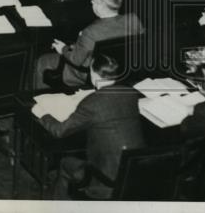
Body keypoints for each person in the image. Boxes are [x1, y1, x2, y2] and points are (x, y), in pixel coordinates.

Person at [40, 54, 145, 200]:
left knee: (65, 163)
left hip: (106, 182)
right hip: (135, 172)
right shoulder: (131, 93)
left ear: (94, 75)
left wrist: (43, 114)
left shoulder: (92, 103)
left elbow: (59, 131)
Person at [31, 0, 145, 90]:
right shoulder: (134, 20)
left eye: (94, 0)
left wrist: (63, 49)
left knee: (42, 61)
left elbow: (76, 60)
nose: (91, 2)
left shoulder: (90, 32)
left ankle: (39, 99)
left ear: (100, 6)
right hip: (121, 70)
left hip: (88, 73)